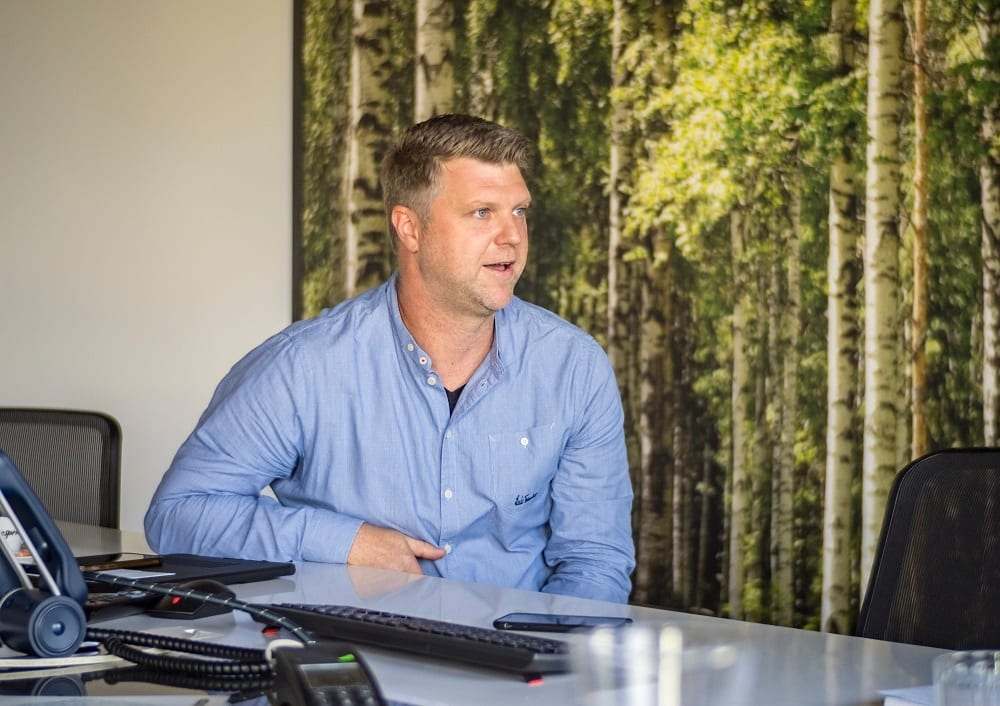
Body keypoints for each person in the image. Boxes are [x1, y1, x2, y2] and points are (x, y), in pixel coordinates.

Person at [144, 113, 635, 603]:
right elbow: (179, 514)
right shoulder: (302, 368)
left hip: (522, 661)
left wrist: (552, 655)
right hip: (356, 660)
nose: (512, 237)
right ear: (409, 228)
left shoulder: (574, 368)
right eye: (482, 212)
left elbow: (594, 561)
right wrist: (348, 542)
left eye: (520, 211)